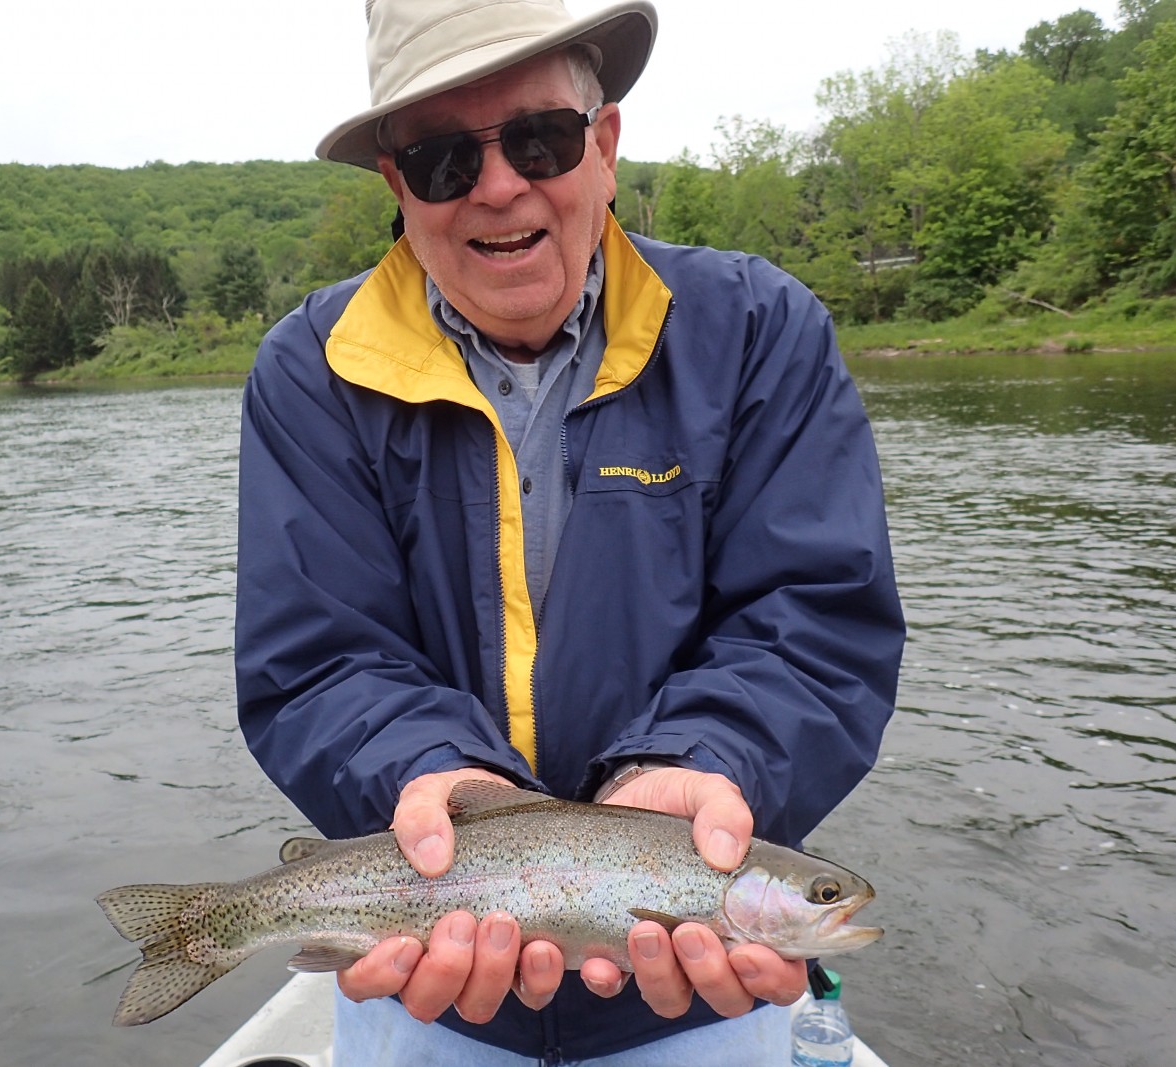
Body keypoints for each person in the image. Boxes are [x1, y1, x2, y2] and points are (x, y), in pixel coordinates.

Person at [234, 0, 904, 1061]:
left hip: (697, 999)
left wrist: (703, 763)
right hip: (428, 977)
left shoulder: (759, 330)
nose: (499, 186)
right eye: (444, 158)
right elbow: (320, 661)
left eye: (539, 138)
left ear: (605, 145)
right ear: (397, 185)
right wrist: (434, 781)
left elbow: (813, 625)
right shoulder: (308, 371)